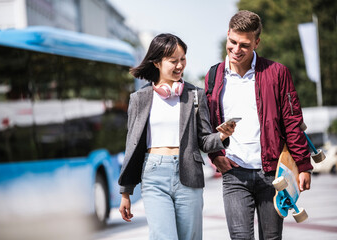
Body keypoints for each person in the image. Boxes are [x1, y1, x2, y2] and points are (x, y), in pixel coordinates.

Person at [204, 10, 313, 240]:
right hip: (234, 173)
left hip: (273, 173)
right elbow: (207, 123)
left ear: (257, 42)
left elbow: (292, 121)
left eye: (244, 45)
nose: (236, 50)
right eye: (232, 42)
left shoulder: (276, 73)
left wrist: (303, 165)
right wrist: (215, 155)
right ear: (227, 35)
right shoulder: (214, 75)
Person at [118, 33, 235, 240]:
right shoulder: (139, 99)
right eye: (174, 61)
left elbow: (205, 141)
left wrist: (221, 135)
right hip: (153, 174)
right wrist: (125, 193)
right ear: (156, 62)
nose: (180, 66)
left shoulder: (195, 95)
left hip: (188, 173)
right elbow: (132, 144)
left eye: (183, 59)